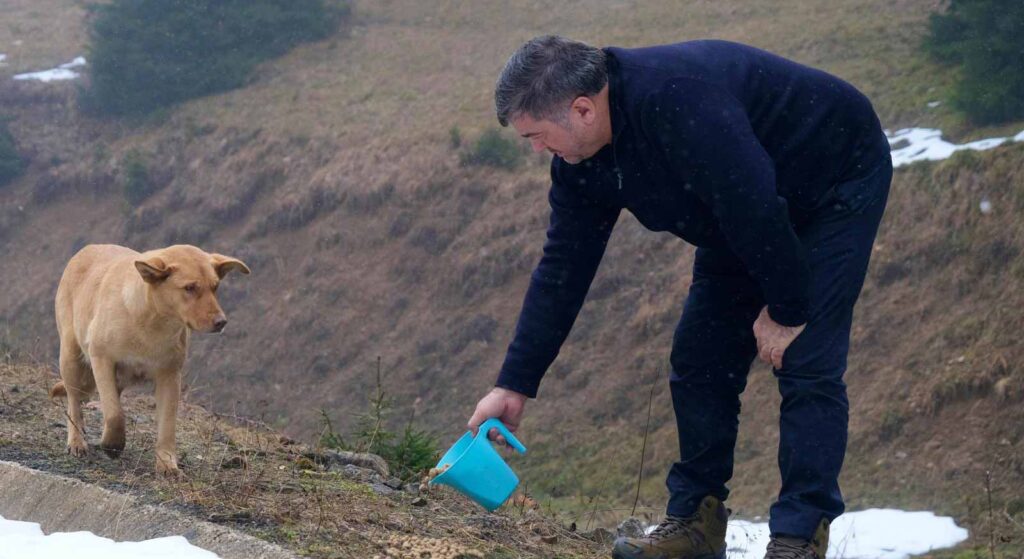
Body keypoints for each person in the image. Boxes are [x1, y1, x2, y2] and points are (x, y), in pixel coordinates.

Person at [466, 36, 892, 559]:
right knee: (699, 358)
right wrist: (515, 381)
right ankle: (695, 525)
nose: (535, 150)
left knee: (806, 360)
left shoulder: (678, 102)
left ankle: (798, 538)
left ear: (581, 109)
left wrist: (787, 310)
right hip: (738, 211)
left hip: (833, 178)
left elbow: (755, 206)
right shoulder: (580, 163)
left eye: (535, 135)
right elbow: (562, 270)